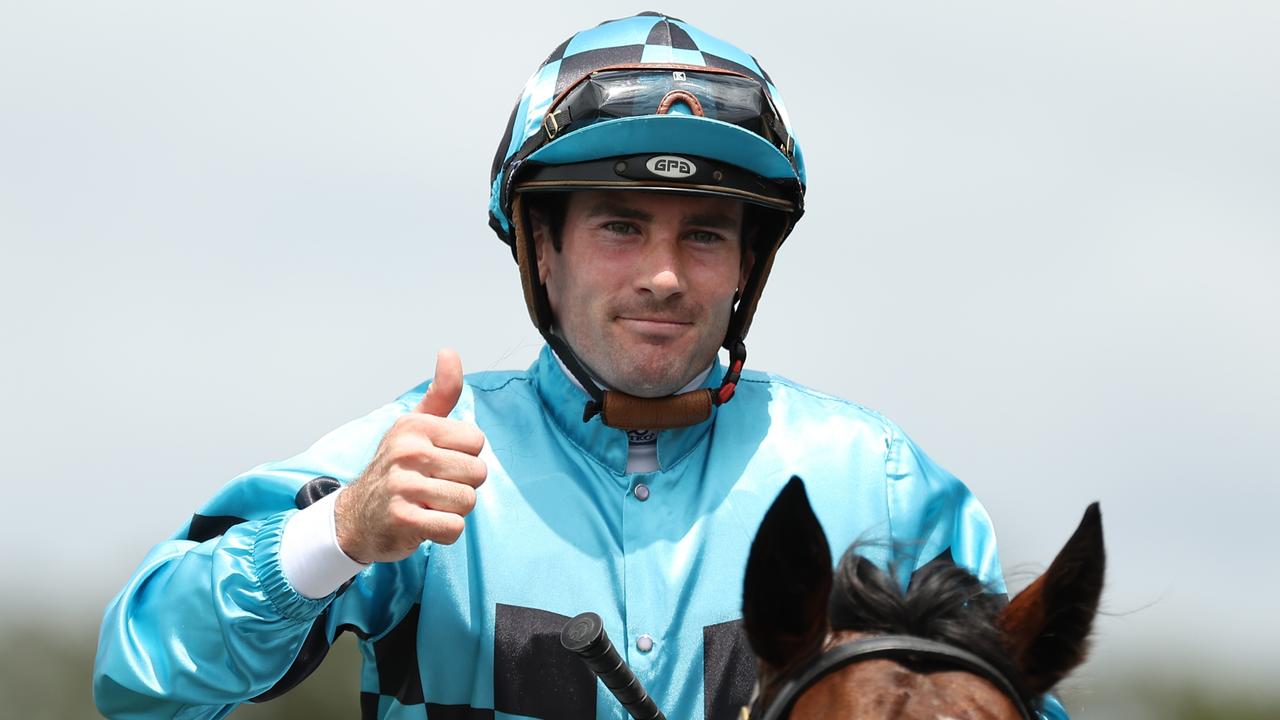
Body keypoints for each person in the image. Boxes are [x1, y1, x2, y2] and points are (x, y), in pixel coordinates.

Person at [93, 12, 1068, 720]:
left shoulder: (879, 482)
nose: (661, 275)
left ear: (744, 266)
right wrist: (338, 534)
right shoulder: (419, 457)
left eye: (703, 235)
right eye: (618, 225)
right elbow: (140, 680)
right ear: (540, 250)